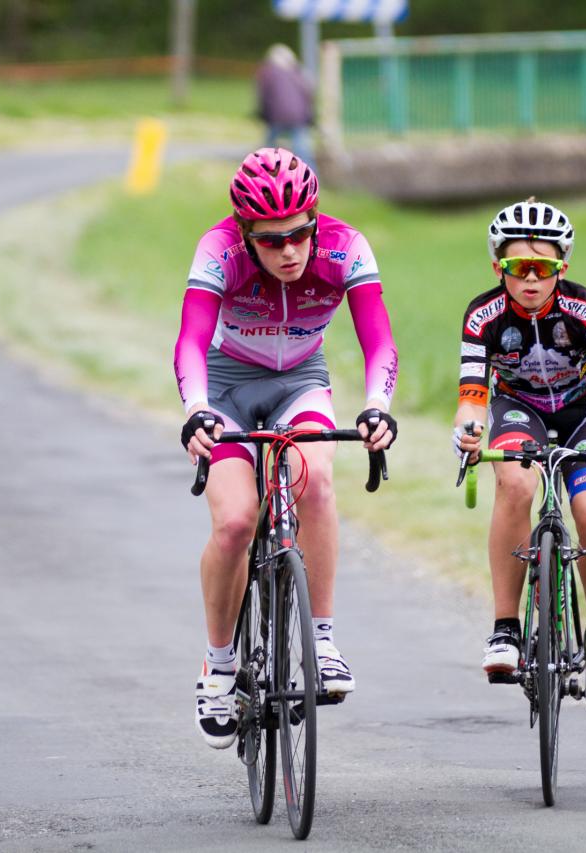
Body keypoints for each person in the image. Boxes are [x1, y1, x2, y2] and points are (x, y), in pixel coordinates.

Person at [176, 147, 398, 748]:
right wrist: (195, 410)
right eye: (271, 241)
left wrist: (377, 405)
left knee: (315, 479)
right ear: (245, 233)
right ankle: (219, 665)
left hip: (301, 381)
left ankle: (320, 642)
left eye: (300, 233)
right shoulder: (218, 250)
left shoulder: (346, 247)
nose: (290, 251)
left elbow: (379, 341)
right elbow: (191, 341)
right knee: (235, 523)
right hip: (225, 387)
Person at [452, 198, 586, 714]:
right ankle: (505, 628)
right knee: (515, 483)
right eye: (519, 267)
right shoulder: (483, 315)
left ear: (563, 267)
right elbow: (471, 397)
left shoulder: (583, 308)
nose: (532, 279)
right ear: (498, 267)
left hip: (585, 411)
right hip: (519, 409)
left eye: (544, 268)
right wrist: (467, 430)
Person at [256, 44, 315, 171]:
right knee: (303, 151)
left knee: (268, 148)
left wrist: (263, 115)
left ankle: (262, 172)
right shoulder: (298, 73)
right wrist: (309, 116)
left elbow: (264, 97)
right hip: (299, 117)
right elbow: (308, 94)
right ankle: (311, 175)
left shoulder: (268, 73)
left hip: (278, 116)